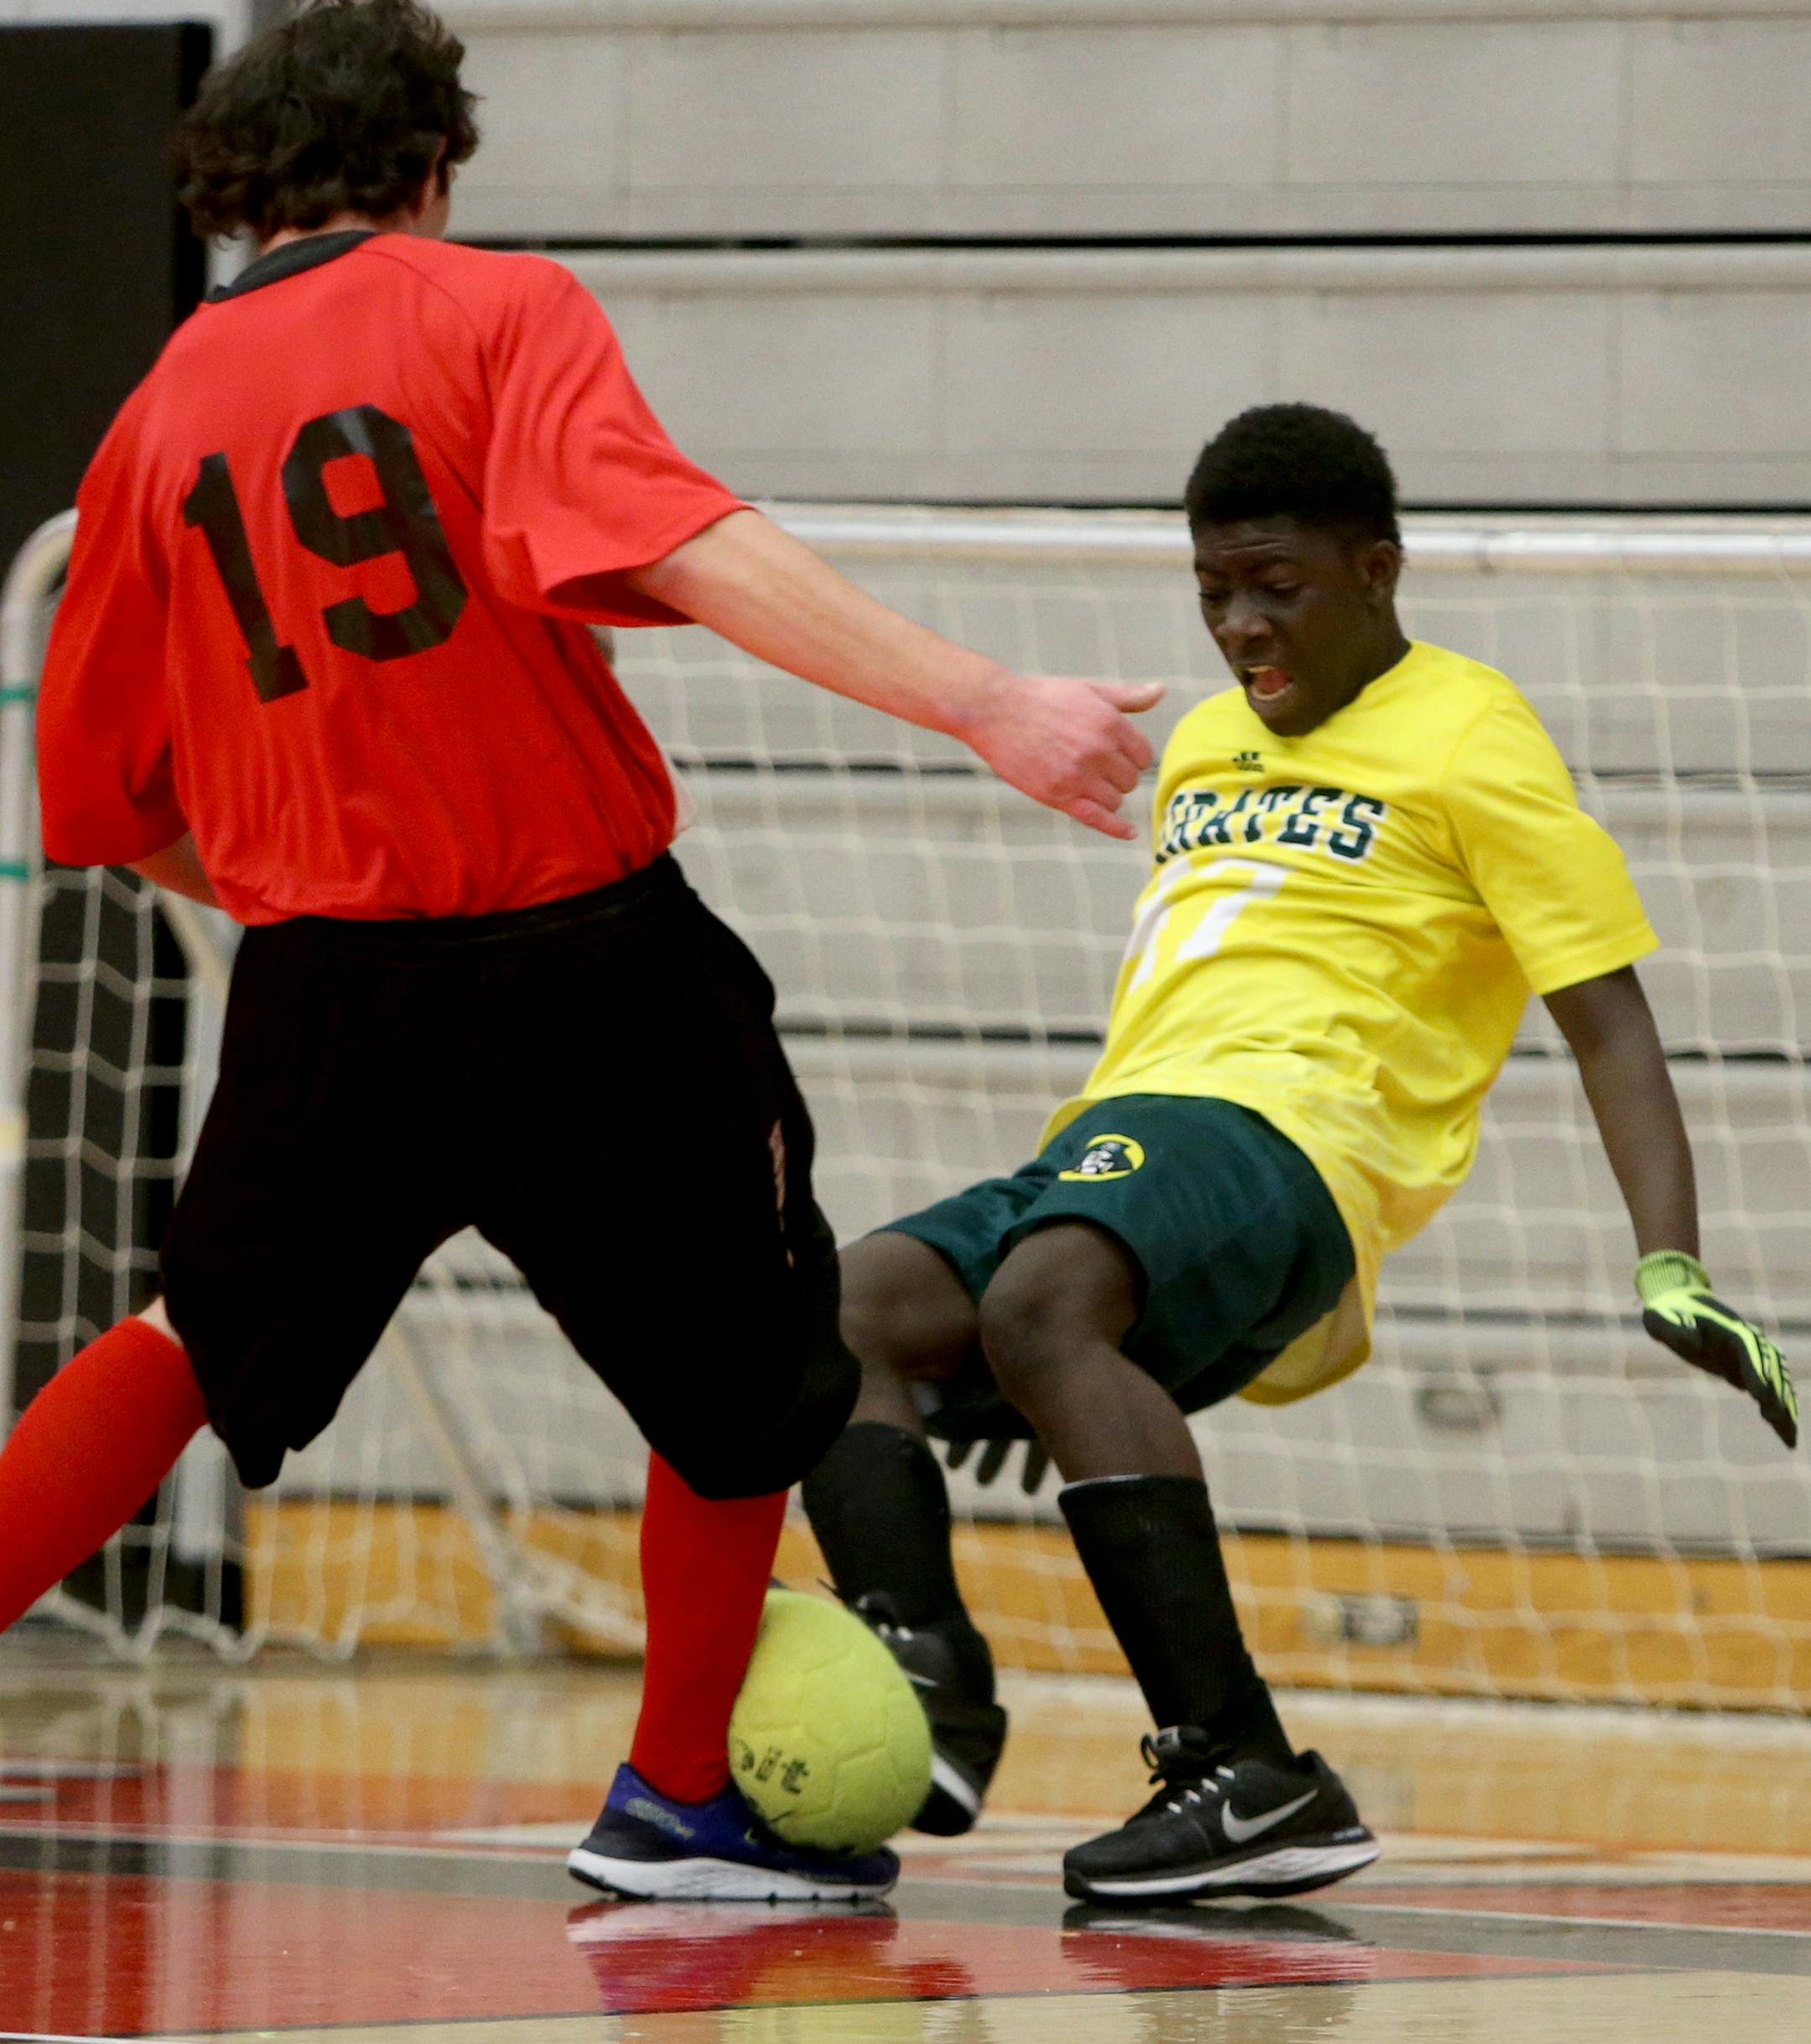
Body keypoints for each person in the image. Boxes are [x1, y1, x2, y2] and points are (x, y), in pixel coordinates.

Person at [0, 0, 1160, 1906]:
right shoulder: (493, 308)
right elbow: (686, 538)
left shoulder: (150, 423)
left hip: (321, 989)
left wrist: (315, 882)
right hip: (579, 966)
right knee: (754, 1367)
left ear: (237, 192)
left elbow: (110, 808)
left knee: (191, 1338)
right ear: (431, 164)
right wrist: (986, 702)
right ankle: (677, 1795)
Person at [801, 402, 1798, 1904]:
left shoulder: (1475, 733)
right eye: (1212, 592)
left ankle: (1244, 1767)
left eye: (1278, 586)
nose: (1240, 625)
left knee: (1036, 1305)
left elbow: (1609, 1017)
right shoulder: (1204, 742)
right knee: (843, 1304)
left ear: (1378, 572)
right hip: (1133, 1126)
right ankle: (922, 1684)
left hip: (1300, 1134)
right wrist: (1060, 1317)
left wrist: (1672, 1257)